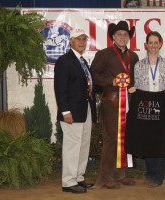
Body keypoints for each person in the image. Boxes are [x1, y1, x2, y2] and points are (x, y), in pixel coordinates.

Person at [90, 20, 139, 189]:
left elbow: (135, 77)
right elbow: (93, 75)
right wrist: (111, 80)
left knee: (124, 139)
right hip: (110, 101)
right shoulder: (103, 54)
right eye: (119, 34)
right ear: (113, 36)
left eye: (125, 34)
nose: (122, 37)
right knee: (111, 139)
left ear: (129, 37)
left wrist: (134, 86)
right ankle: (104, 177)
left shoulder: (133, 56)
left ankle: (119, 175)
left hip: (128, 102)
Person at [125, 31, 165, 187]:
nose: (153, 45)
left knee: (160, 139)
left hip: (162, 106)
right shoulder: (139, 65)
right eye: (150, 43)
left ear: (160, 44)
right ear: (146, 45)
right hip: (145, 107)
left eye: (156, 42)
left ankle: (157, 175)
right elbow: (137, 85)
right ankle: (149, 172)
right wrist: (132, 90)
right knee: (146, 139)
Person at [54, 28, 95, 193]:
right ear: (71, 41)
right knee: (72, 146)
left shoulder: (82, 61)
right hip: (71, 112)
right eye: (78, 39)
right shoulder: (64, 61)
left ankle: (78, 177)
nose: (82, 42)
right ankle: (68, 182)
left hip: (85, 109)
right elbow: (60, 89)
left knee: (83, 145)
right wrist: (65, 112)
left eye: (84, 39)